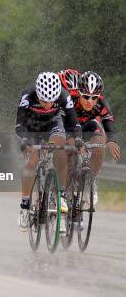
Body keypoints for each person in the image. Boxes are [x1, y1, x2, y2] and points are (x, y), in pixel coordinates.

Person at [15, 72, 82, 231]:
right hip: (32, 127)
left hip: (53, 124)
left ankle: (61, 196)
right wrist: (25, 140)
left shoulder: (63, 96)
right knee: (31, 162)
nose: (48, 105)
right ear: (38, 93)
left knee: (61, 150)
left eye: (52, 101)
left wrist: (78, 139)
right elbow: (19, 125)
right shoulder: (27, 95)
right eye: (44, 101)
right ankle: (24, 206)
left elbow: (74, 123)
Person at [74, 71, 121, 205]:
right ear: (78, 92)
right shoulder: (70, 100)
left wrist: (112, 141)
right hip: (70, 127)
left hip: (89, 126)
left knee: (101, 143)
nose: (90, 101)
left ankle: (91, 183)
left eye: (94, 97)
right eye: (86, 96)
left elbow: (108, 122)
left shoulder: (102, 103)